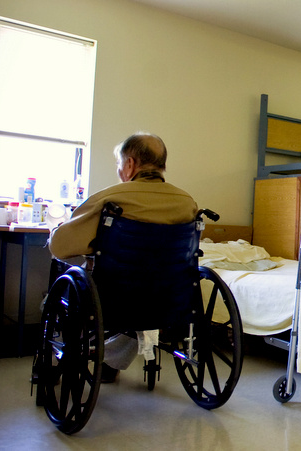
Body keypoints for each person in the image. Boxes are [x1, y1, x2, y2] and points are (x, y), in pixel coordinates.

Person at [49, 132, 198, 382]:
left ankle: (90, 353)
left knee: (80, 279)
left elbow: (60, 248)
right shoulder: (187, 203)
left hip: (115, 298)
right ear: (162, 164)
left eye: (120, 165)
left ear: (129, 164)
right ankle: (112, 358)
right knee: (143, 295)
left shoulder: (111, 198)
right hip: (169, 298)